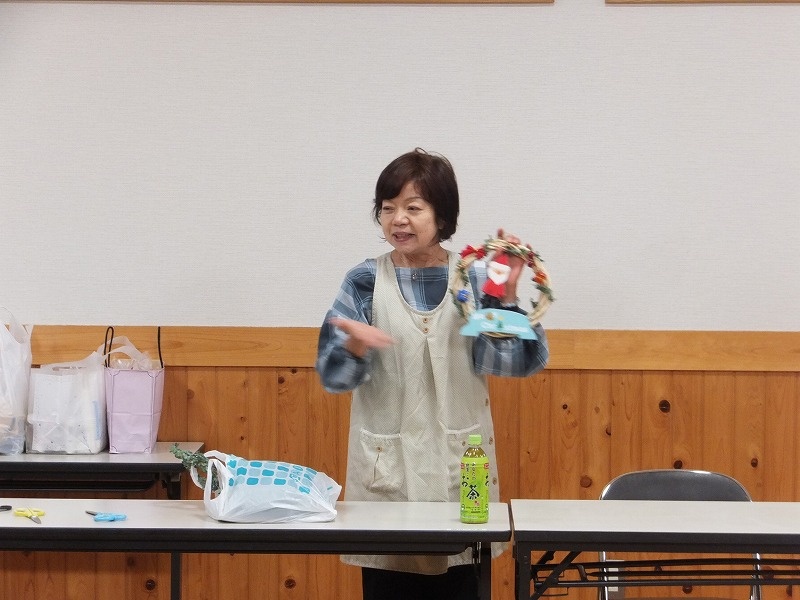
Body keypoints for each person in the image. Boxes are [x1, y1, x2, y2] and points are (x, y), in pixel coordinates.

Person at [315, 148, 549, 600]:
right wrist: (355, 346)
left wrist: (504, 297)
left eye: (413, 207)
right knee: (389, 584)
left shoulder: (473, 279)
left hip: (462, 467)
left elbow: (516, 362)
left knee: (462, 578)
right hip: (386, 474)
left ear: (442, 216)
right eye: (388, 208)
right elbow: (332, 376)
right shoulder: (365, 280)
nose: (398, 220)